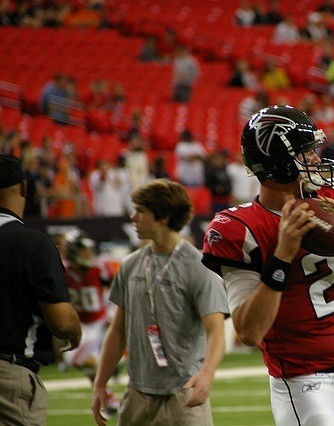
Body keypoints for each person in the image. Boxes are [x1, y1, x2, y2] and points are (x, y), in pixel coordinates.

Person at [201, 105, 334, 425]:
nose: (317, 159)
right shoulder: (240, 227)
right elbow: (249, 332)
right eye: (306, 153)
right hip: (302, 383)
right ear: (277, 163)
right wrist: (282, 255)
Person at [91, 179, 229, 426]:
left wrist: (207, 374)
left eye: (141, 211)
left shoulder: (198, 268)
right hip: (137, 394)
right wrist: (100, 383)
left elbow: (216, 331)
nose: (133, 217)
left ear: (164, 217)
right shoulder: (131, 265)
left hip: (183, 396)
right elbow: (117, 330)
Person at [0, 153, 82, 425]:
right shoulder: (33, 243)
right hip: (8, 375)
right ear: (24, 187)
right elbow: (60, 321)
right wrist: (74, 329)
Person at [61, 230, 119, 416]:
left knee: (77, 360)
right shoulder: (63, 270)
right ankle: (108, 392)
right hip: (81, 324)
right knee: (82, 363)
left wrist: (112, 312)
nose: (88, 254)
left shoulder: (98, 268)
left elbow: (116, 288)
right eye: (84, 250)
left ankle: (108, 390)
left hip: (100, 321)